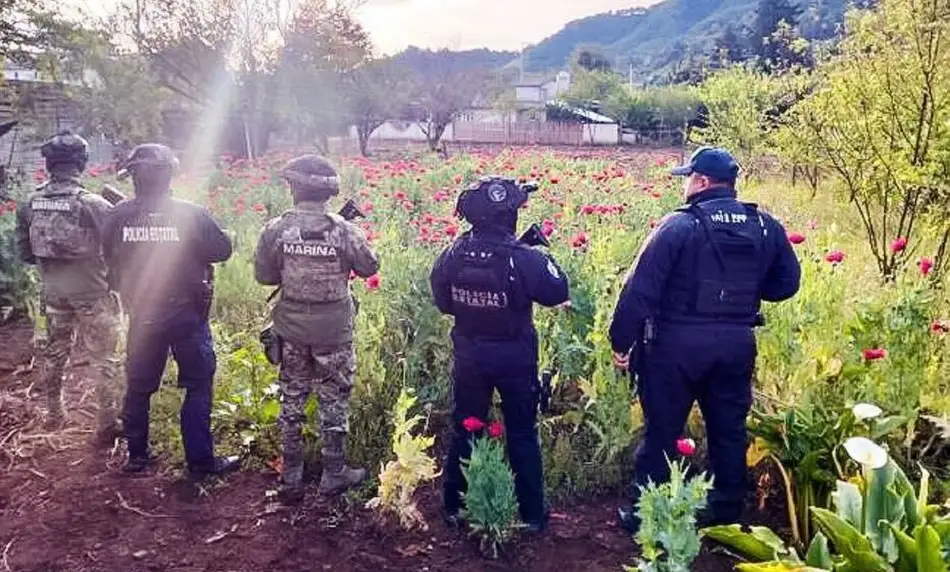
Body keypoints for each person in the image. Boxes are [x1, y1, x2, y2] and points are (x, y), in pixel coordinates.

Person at [610, 146, 801, 533]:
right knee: (729, 429)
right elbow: (786, 284)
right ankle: (726, 514)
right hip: (735, 343)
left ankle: (648, 514)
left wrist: (621, 340)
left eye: (688, 179)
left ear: (700, 182)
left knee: (663, 428)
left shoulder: (680, 225)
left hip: (675, 344)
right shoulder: (764, 225)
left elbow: (639, 290)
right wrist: (742, 290)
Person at [430, 176, 570, 533]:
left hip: (470, 355)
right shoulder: (523, 258)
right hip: (515, 357)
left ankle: (454, 506)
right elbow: (557, 291)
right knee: (522, 433)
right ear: (509, 215)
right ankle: (533, 515)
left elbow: (443, 301)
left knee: (465, 428)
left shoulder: (452, 254)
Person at [102, 143, 239, 478]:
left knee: (138, 385)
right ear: (169, 175)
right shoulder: (191, 214)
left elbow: (109, 258)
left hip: (142, 313)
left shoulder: (117, 216)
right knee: (197, 384)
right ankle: (200, 464)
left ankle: (136, 456)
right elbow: (222, 250)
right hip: (187, 315)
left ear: (133, 176)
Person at [253, 154, 379, 504]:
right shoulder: (344, 230)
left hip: (290, 326)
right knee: (333, 398)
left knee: (291, 397)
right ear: (330, 192)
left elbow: (264, 276)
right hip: (333, 329)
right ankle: (333, 472)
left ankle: (290, 473)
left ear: (294, 188)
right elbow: (369, 267)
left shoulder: (275, 229)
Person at [15, 130, 122, 444]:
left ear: (49, 165)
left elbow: (24, 253)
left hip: (53, 292)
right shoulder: (94, 204)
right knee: (105, 357)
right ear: (81, 163)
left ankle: (53, 414)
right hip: (92, 293)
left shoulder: (30, 203)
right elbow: (120, 248)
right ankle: (107, 424)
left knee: (54, 353)